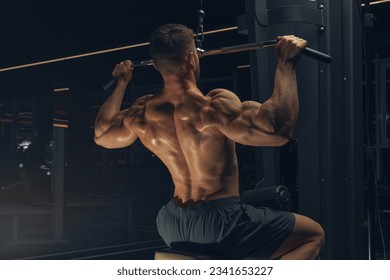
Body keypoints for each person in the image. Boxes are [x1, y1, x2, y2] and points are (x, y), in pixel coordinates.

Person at [94, 23, 325, 260]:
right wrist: (285, 64)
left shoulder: (141, 112)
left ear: (155, 65)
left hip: (170, 223)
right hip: (220, 225)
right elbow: (277, 131)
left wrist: (121, 83)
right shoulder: (212, 107)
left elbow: (102, 135)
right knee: (312, 234)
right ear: (192, 58)